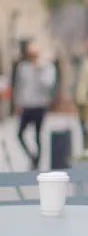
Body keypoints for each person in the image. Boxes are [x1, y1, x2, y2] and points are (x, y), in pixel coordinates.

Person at [13, 40, 56, 170]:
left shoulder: (46, 67)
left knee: (38, 135)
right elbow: (20, 86)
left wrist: (38, 70)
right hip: (27, 104)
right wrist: (18, 102)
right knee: (20, 133)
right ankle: (31, 155)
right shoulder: (23, 67)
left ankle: (37, 161)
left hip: (39, 105)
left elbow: (49, 85)